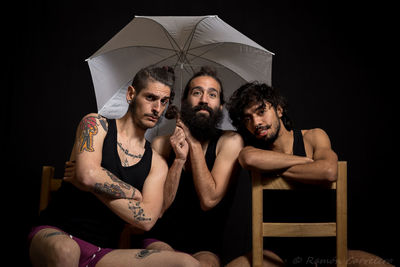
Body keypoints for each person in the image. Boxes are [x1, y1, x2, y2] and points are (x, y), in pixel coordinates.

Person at [28, 66, 200, 267]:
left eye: (164, 102)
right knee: (67, 251)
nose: (157, 109)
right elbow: (87, 175)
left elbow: (147, 219)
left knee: (188, 263)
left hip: (103, 252)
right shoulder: (95, 125)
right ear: (131, 94)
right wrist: (134, 194)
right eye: (151, 98)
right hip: (57, 234)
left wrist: (93, 186)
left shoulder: (157, 163)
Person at [226, 81, 338, 266]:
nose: (256, 123)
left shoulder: (313, 137)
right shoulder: (252, 151)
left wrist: (273, 167)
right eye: (247, 118)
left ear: (279, 110)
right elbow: (249, 159)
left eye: (261, 111)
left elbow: (328, 171)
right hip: (276, 252)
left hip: (326, 250)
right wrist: (306, 162)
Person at [143, 66, 244, 267]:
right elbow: (158, 208)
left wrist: (193, 143)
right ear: (184, 102)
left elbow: (208, 199)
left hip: (206, 246)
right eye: (196, 93)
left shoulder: (231, 141)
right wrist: (179, 160)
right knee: (170, 263)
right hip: (161, 239)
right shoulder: (161, 144)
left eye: (212, 94)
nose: (204, 100)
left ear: (221, 106)